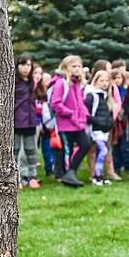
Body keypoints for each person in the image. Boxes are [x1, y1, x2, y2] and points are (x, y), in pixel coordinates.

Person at [48, 55, 90, 188]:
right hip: (66, 124)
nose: (77, 69)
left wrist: (83, 115)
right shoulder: (62, 83)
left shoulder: (77, 83)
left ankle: (71, 172)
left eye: (79, 66)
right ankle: (66, 175)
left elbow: (80, 102)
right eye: (74, 66)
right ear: (66, 68)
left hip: (78, 124)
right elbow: (56, 103)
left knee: (85, 145)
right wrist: (70, 114)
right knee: (68, 151)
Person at [13, 54, 42, 190]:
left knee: (31, 151)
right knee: (15, 151)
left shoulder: (32, 83)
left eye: (28, 65)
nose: (25, 68)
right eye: (23, 64)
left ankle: (32, 177)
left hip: (30, 122)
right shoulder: (13, 82)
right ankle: (15, 179)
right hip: (17, 122)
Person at [84, 69, 115, 186]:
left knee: (102, 151)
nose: (104, 83)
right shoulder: (92, 96)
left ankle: (100, 176)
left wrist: (109, 123)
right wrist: (98, 123)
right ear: (95, 81)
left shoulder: (107, 97)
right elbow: (87, 114)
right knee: (103, 151)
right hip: (95, 130)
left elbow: (109, 114)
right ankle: (97, 175)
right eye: (101, 80)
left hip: (104, 130)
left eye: (107, 80)